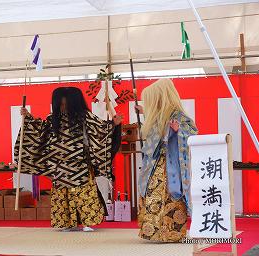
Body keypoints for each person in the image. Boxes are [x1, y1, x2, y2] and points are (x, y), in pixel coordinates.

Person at [16, 87, 122, 232]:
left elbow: (100, 129)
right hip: (58, 166)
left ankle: (87, 222)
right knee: (62, 195)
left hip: (81, 165)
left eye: (66, 104)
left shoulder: (85, 117)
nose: (63, 107)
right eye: (60, 104)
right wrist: (27, 117)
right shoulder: (52, 118)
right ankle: (66, 222)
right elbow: (39, 130)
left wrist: (113, 125)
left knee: (84, 193)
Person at [136, 78, 198, 242]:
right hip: (154, 165)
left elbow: (192, 133)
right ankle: (152, 231)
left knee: (171, 195)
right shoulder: (157, 116)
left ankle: (173, 233)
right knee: (152, 194)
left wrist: (179, 131)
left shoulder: (178, 115)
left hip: (171, 165)